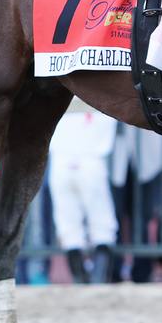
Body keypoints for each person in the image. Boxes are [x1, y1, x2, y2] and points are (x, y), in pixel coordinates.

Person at [49, 110, 119, 284]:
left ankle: (83, 279)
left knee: (68, 223)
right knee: (101, 221)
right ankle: (96, 279)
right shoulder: (98, 93)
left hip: (63, 160)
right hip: (89, 160)